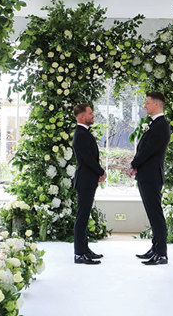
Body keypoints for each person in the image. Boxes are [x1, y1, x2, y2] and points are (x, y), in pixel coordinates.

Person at [129, 91, 171, 266]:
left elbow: (148, 151)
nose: (145, 106)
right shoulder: (156, 124)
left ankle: (161, 254)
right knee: (152, 214)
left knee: (156, 214)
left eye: (147, 103)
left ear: (156, 104)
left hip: (151, 175)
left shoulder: (161, 125)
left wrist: (133, 164)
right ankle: (155, 248)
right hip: (147, 175)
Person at [71, 103, 106, 265]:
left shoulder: (83, 133)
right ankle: (79, 253)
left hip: (87, 180)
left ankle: (85, 250)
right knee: (82, 217)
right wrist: (100, 171)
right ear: (82, 116)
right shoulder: (81, 134)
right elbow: (88, 159)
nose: (93, 115)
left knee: (84, 217)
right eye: (90, 113)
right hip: (85, 180)